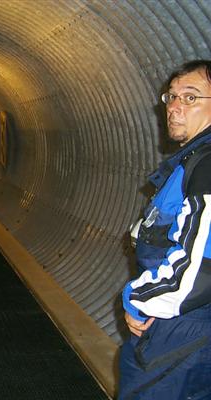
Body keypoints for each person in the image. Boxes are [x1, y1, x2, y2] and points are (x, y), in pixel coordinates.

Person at [120, 60, 211, 400]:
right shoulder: (191, 162)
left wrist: (137, 299)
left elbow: (199, 270)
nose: (174, 107)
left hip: (187, 335)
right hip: (175, 331)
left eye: (190, 98)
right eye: (171, 97)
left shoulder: (208, 166)